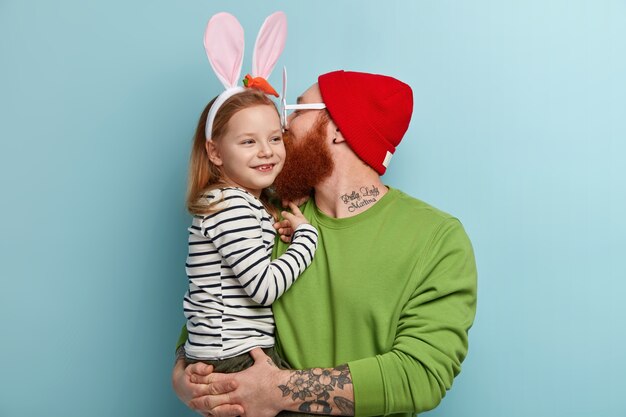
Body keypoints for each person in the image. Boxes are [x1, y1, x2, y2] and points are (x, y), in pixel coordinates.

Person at [173, 70, 478, 417]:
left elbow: (421, 375)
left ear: (337, 129)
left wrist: (276, 391)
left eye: (299, 110)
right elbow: (216, 301)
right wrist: (185, 373)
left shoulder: (437, 239)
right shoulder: (272, 217)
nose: (284, 126)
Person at [182, 86, 318, 378]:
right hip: (233, 354)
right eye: (248, 142)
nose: (266, 151)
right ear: (215, 152)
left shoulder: (238, 202)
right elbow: (263, 289)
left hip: (228, 349)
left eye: (274, 138)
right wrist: (306, 239)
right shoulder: (231, 205)